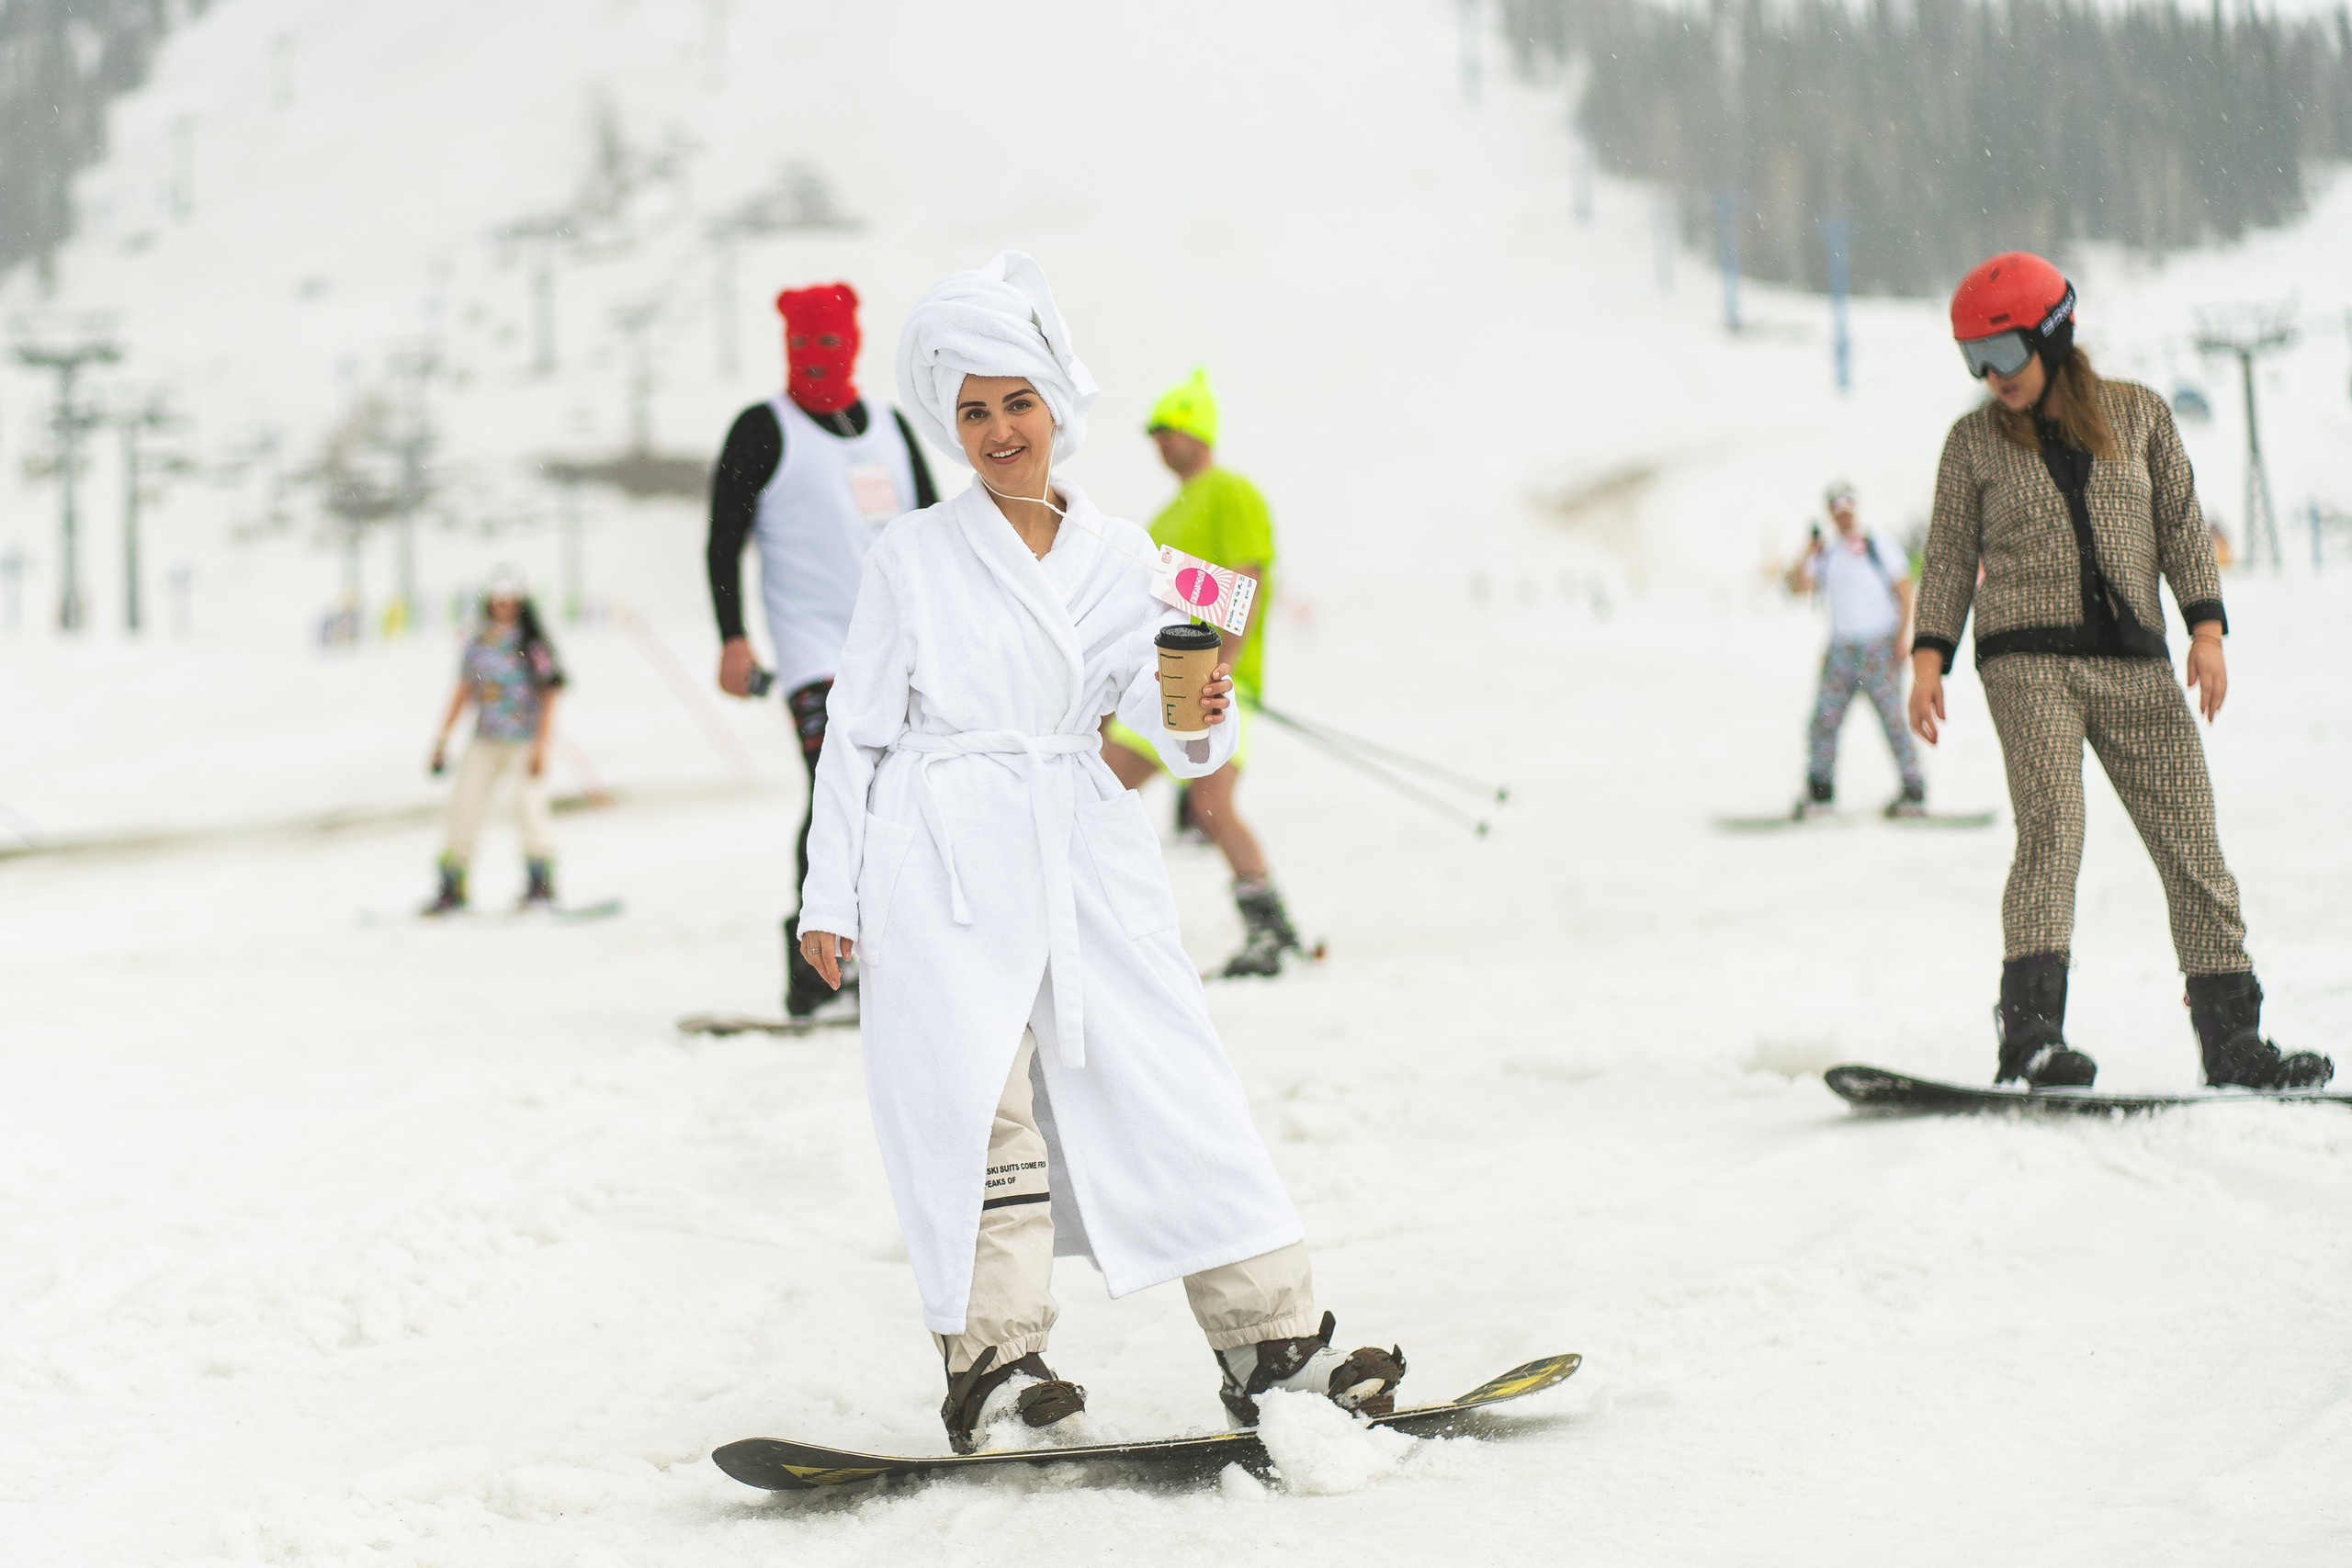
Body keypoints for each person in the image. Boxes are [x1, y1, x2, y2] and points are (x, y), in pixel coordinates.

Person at [795, 253, 1404, 1454]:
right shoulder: (911, 556)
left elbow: (1189, 733)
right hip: (943, 854)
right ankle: (995, 1360)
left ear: (1057, 409)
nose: (999, 429)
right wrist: (833, 892)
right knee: (979, 1103)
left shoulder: (1130, 555)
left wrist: (1203, 698)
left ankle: (1271, 1335)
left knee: (1171, 1072)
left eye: (1017, 402)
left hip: (1080, 838)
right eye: (973, 409)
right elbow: (854, 737)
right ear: (950, 423)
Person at [1908, 250, 2331, 1092]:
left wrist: (2204, 629)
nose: (1991, 379)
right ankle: (2030, 1036)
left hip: (2135, 663)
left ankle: (2233, 1041)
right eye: (1973, 362)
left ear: (2053, 334)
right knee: (2054, 830)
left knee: (2192, 843)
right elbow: (1949, 556)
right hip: (2027, 661)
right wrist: (1929, 659)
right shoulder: (1972, 444)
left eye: (2003, 355)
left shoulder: (2138, 416)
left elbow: (2180, 525)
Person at [705, 282, 937, 1018]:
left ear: (853, 344)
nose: (814, 356)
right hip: (814, 652)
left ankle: (893, 954)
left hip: (900, 652)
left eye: (828, 343)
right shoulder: (763, 429)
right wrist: (732, 635)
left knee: (908, 802)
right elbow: (723, 538)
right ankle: (816, 975)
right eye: (802, 344)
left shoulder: (891, 430)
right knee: (838, 794)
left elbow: (937, 536)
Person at [1101, 369, 1303, 976]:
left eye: (1171, 429)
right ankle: (1097, 930)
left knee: (1211, 803)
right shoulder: (1163, 518)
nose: (1161, 441)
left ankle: (1272, 931)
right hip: (1157, 682)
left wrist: (1225, 668)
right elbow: (1144, 611)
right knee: (1099, 788)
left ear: (1199, 431)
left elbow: (1248, 579)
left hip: (1212, 677)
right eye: (1155, 433)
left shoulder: (1230, 492)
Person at [424, 566, 567, 914]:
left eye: (510, 602)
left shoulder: (531, 643)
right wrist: (442, 739)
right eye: (498, 602)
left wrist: (541, 745)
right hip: (485, 739)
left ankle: (540, 885)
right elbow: (463, 690)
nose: (504, 608)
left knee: (528, 809)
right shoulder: (478, 642)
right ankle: (452, 884)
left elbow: (550, 690)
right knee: (465, 807)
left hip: (523, 739)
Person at [1783, 481, 1927, 818]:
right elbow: (1796, 587)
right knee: (1824, 719)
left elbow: (1904, 589)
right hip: (1841, 651)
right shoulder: (1828, 555)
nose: (1843, 515)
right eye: (1837, 509)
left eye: (1847, 507)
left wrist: (1902, 636)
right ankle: (1820, 790)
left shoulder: (1879, 546)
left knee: (1892, 718)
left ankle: (1913, 788)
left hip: (1879, 647)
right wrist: (1809, 550)